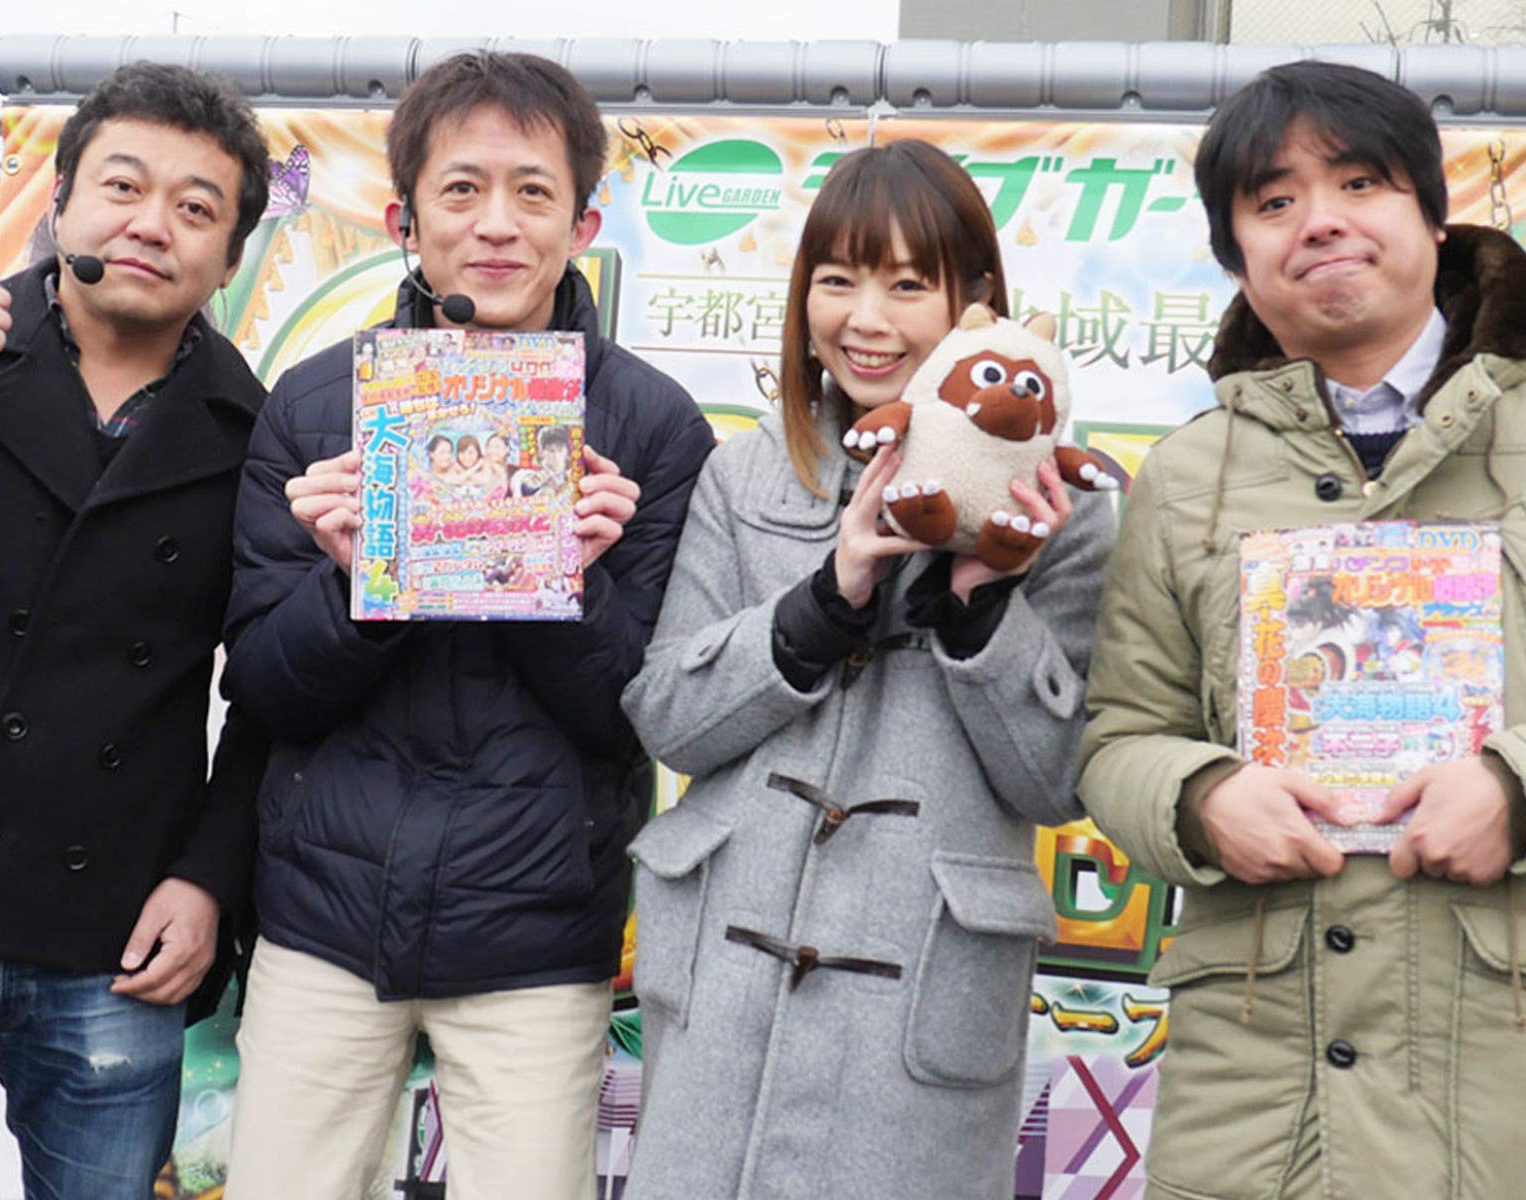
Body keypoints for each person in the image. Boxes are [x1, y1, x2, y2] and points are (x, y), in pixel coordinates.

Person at [221, 50, 713, 1200]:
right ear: (405, 218)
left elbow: (643, 717)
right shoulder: (315, 405)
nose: (496, 223)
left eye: (532, 191)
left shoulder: (651, 428)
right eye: (461, 188)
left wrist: (566, 580)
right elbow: (264, 685)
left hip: (536, 937)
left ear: (582, 222)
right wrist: (357, 583)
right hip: (322, 925)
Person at [619, 140, 1115, 1199]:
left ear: (975, 305)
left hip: (923, 1000)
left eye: (907, 284)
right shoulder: (745, 475)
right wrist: (823, 599)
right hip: (723, 991)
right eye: (838, 280)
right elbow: (669, 718)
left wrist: (982, 604)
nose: (866, 320)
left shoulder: (1060, 512)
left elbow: (1057, 780)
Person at [1078, 60, 1526, 1199]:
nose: (1319, 221)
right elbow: (1118, 736)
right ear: (1236, 256)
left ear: (1433, 213)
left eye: (1360, 183)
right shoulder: (1186, 476)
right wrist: (1200, 796)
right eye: (1273, 201)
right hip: (1259, 1087)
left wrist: (1515, 787)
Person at [0, 62, 271, 1198]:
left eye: (195, 207)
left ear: (230, 257)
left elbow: (271, 690)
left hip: (112, 927)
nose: (151, 225)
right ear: (61, 201)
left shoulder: (258, 433)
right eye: (123, 187)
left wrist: (211, 878)